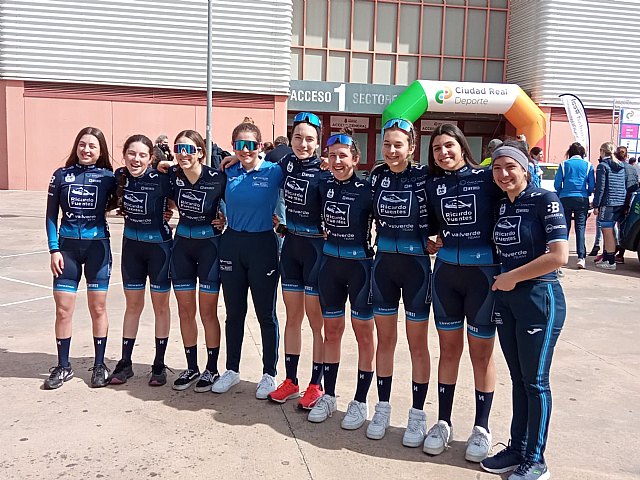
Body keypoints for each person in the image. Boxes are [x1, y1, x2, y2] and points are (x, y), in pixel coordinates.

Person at [480, 140, 568, 480]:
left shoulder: (546, 200)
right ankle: (517, 448)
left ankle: (537, 458)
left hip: (539, 298)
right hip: (508, 300)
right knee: (519, 380)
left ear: (526, 169)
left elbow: (558, 256)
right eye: (497, 168)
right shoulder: (503, 205)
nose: (503, 174)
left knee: (536, 382)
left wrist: (511, 278)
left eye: (510, 167)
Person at [423, 123, 502, 462]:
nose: (443, 153)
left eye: (449, 145)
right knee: (448, 350)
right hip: (446, 276)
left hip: (483, 277)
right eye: (437, 148)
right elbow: (428, 228)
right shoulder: (432, 184)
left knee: (481, 354)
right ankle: (443, 422)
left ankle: (482, 427)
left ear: (462, 146)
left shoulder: (486, 178)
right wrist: (430, 241)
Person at [366, 118, 432, 447]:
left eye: (398, 145)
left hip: (416, 268)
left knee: (417, 345)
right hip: (384, 267)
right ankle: (382, 409)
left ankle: (417, 415)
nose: (391, 150)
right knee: (385, 341)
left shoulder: (424, 175)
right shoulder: (376, 176)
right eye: (387, 144)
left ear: (411, 147)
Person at [307, 130, 375, 430]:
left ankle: (360, 400)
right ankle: (329, 395)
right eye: (332, 156)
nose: (337, 161)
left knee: (364, 335)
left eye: (343, 156)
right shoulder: (322, 183)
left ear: (356, 159)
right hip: (330, 266)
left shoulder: (368, 189)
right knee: (331, 333)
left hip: (360, 268)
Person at [211, 120, 283, 399]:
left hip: (262, 244)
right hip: (232, 244)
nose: (245, 150)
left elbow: (300, 168)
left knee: (266, 313)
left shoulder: (273, 171)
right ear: (233, 146)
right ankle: (231, 370)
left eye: (251, 144)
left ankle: (269, 374)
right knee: (234, 312)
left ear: (260, 145)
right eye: (240, 145)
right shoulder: (228, 171)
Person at [267, 112, 332, 409]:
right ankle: (291, 381)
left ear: (318, 142)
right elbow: (257, 169)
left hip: (316, 250)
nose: (303, 144)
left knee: (316, 323)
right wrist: (230, 160)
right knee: (292, 319)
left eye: (309, 139)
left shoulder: (325, 170)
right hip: (291, 247)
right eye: (298, 138)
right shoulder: (286, 164)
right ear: (290, 139)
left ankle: (316, 384)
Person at [44, 127, 117, 389]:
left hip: (97, 248)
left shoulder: (109, 178)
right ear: (76, 147)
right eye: (82, 145)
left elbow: (135, 192)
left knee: (98, 308)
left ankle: (99, 364)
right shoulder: (60, 176)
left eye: (92, 146)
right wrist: (54, 249)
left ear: (101, 151)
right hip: (67, 250)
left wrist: (165, 211)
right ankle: (63, 366)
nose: (86, 150)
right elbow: (51, 215)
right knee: (63, 309)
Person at [108, 135, 173, 386]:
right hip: (132, 249)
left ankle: (159, 364)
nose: (136, 159)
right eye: (131, 154)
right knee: (133, 306)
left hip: (160, 249)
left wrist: (219, 217)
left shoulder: (162, 178)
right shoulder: (119, 177)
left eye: (142, 155)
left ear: (151, 158)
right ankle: (125, 363)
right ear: (124, 155)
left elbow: (186, 194)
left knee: (160, 307)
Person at [168, 130, 227, 391]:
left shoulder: (216, 178)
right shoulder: (172, 175)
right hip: (182, 246)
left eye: (189, 149)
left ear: (201, 152)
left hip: (209, 248)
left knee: (207, 312)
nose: (183, 154)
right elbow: (163, 196)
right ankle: (191, 367)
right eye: (179, 148)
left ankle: (212, 369)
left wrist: (225, 218)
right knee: (185, 311)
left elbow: (233, 202)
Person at [553, 142, 595, 269]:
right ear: (582, 153)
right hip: (581, 198)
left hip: (565, 197)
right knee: (580, 227)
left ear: (570, 153)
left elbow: (557, 184)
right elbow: (592, 185)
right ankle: (581, 258)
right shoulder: (588, 165)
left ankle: (562, 255)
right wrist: (587, 193)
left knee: (564, 227)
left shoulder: (563, 164)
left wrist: (561, 193)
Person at [593, 142, 626, 270]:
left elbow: (600, 187)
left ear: (602, 151)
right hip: (619, 201)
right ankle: (607, 258)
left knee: (607, 232)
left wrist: (596, 205)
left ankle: (610, 261)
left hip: (608, 202)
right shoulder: (621, 165)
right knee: (611, 231)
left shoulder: (603, 166)